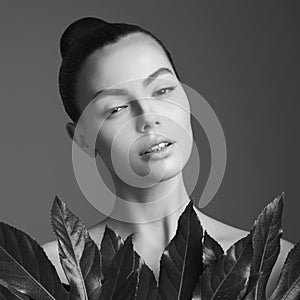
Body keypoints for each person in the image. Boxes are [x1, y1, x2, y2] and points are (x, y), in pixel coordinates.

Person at [42, 17, 294, 297]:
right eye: (115, 108)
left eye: (162, 91)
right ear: (83, 139)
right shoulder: (51, 273)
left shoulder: (276, 267)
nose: (149, 118)